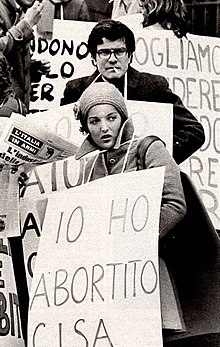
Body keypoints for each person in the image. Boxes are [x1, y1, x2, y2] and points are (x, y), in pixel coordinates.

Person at [74, 81, 187, 330]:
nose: (104, 127)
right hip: (104, 277)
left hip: (145, 268)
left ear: (123, 118)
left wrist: (136, 240)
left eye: (111, 118)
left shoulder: (149, 149)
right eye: (94, 121)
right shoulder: (88, 166)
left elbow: (174, 204)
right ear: (86, 127)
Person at [61, 19, 205, 165]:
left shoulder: (153, 87)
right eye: (104, 52)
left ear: (130, 56)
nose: (112, 59)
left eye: (119, 52)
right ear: (93, 58)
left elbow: (194, 131)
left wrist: (155, 158)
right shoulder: (76, 90)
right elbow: (62, 138)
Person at [0, 0, 51, 110]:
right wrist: (26, 24)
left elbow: (9, 60)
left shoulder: (21, 8)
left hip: (16, 107)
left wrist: (30, 69)